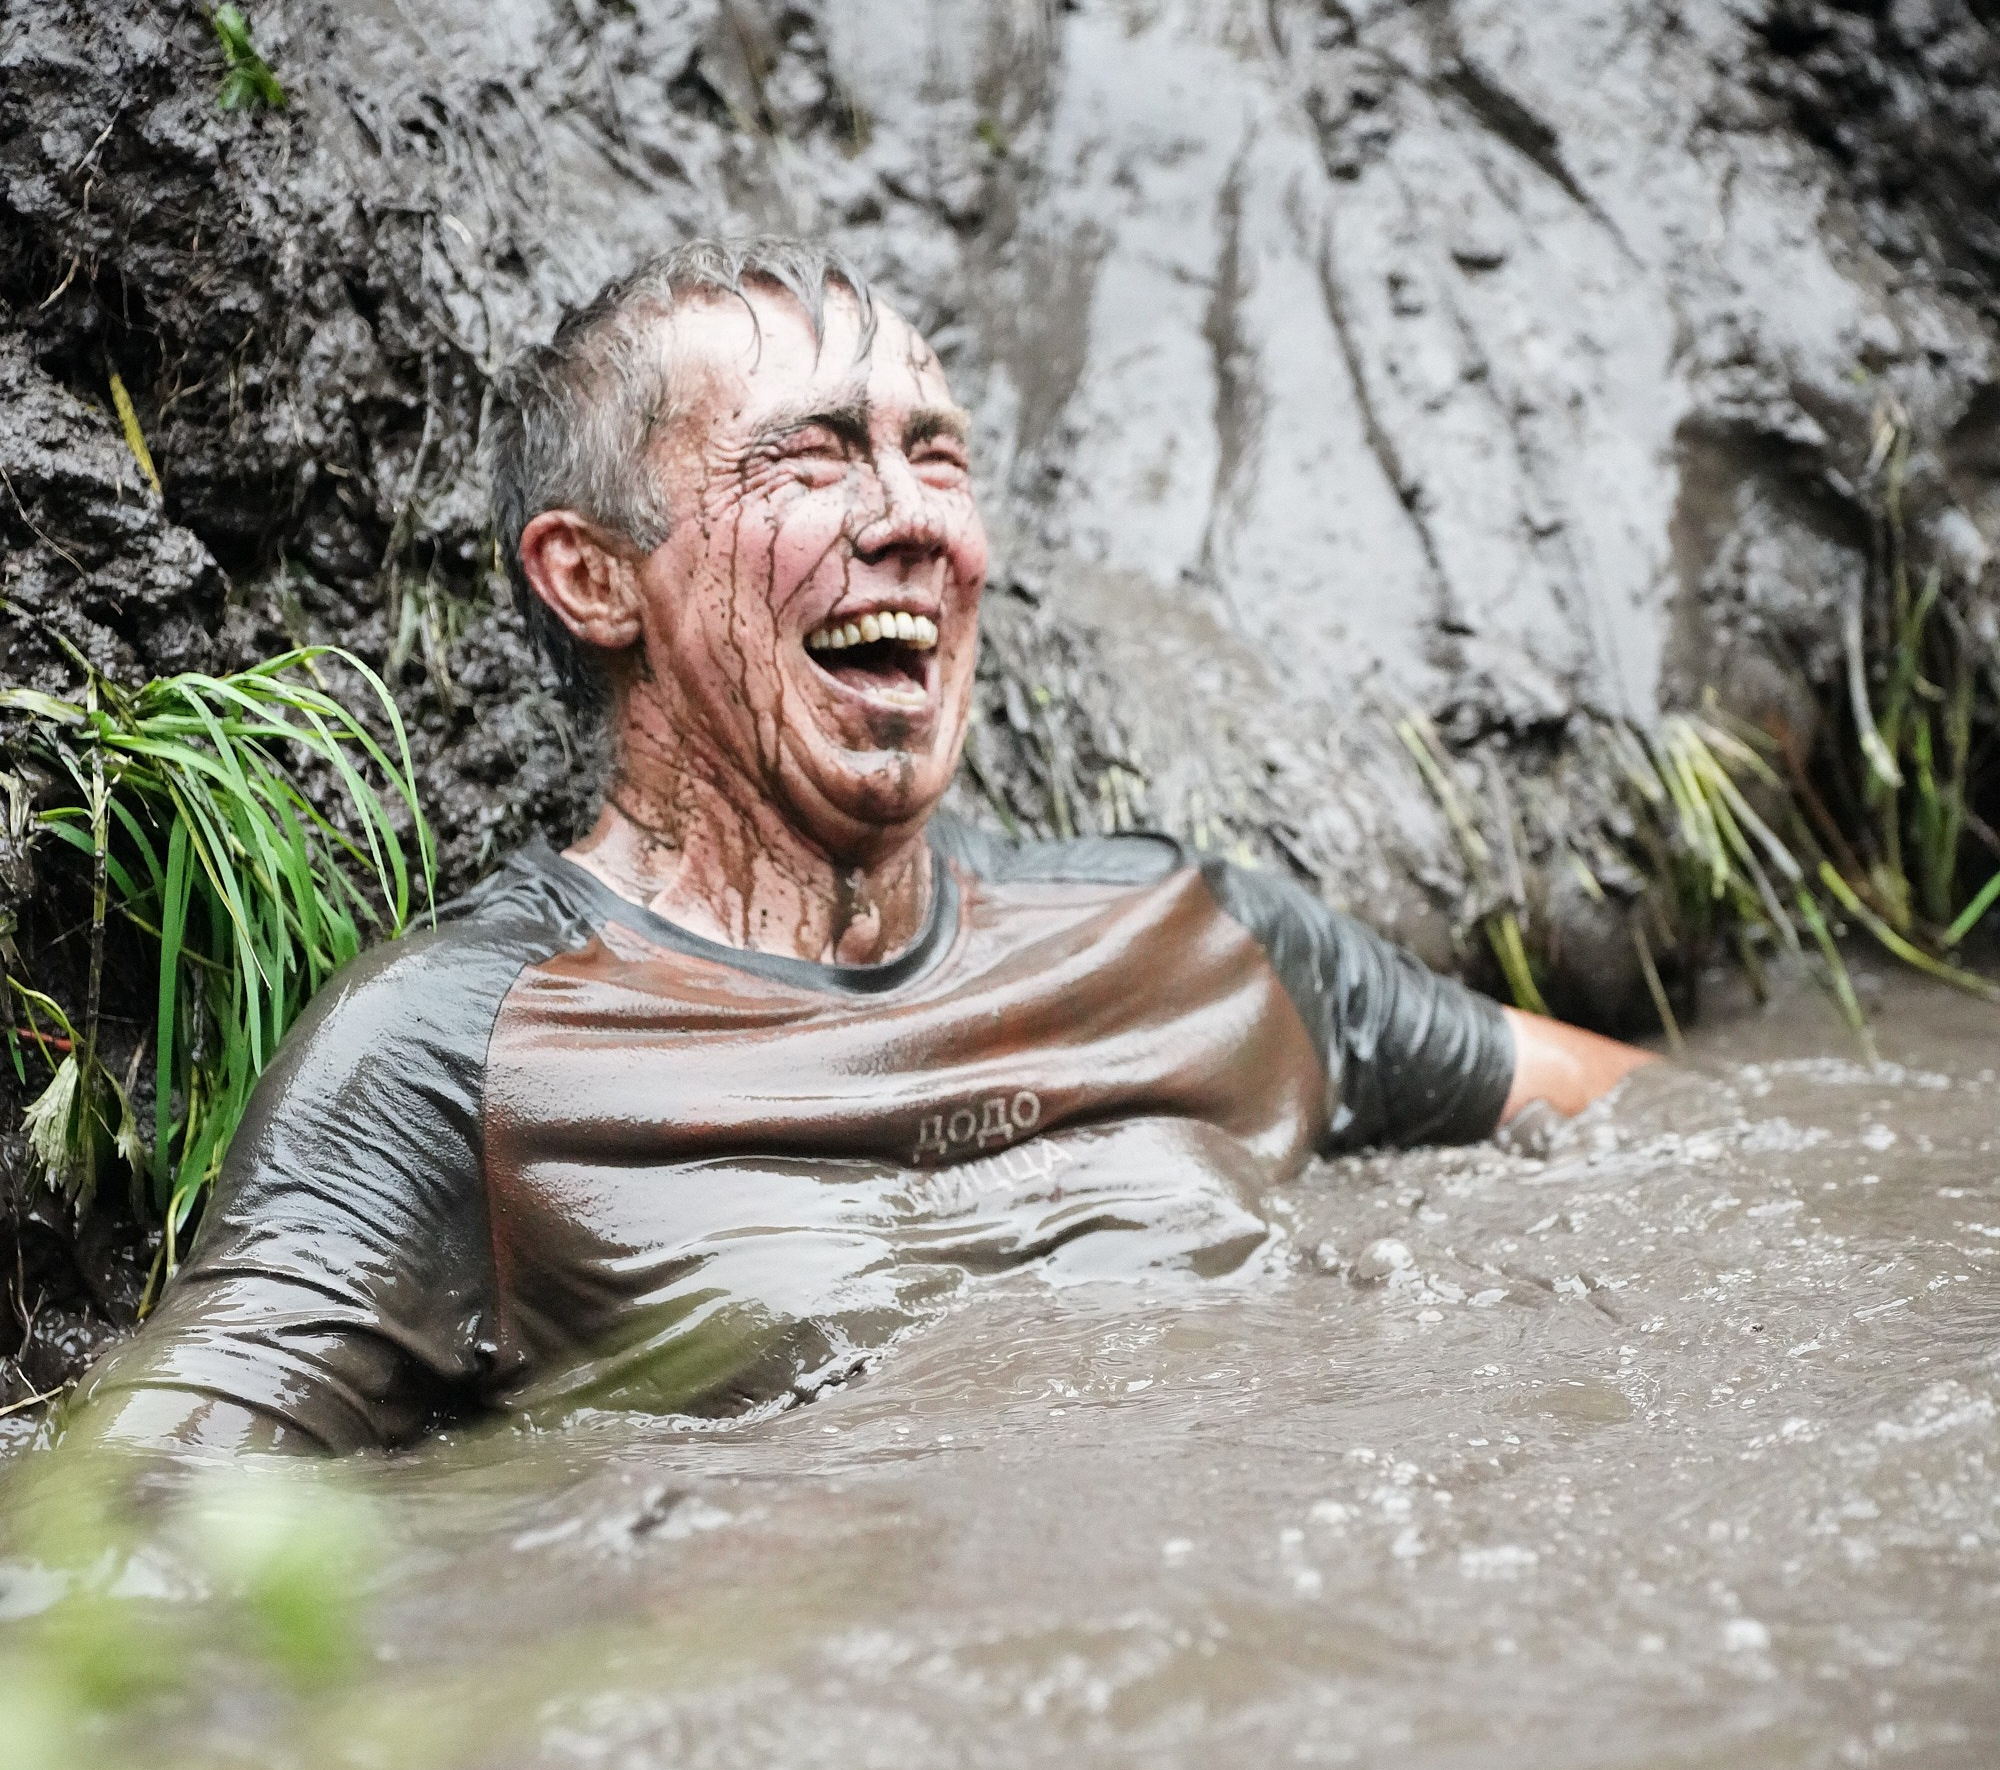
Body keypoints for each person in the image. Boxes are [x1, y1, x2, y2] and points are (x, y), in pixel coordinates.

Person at [69, 240, 1647, 1458]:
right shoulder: (449, 1058)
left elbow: (1665, 1136)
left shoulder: (1200, 936)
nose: (915, 523)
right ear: (594, 578)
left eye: (939, 458)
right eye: (809, 459)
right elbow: (139, 1527)